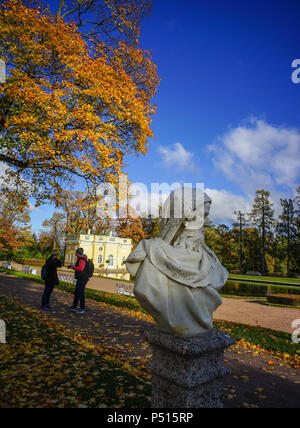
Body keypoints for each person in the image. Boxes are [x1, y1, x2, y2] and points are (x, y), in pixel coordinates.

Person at [67, 248, 89, 314]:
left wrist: (73, 267)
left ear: (77, 253)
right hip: (80, 278)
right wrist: (73, 266)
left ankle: (82, 308)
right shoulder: (81, 258)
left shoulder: (81, 259)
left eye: (76, 253)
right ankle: (74, 306)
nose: (75, 254)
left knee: (81, 293)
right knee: (77, 292)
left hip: (83, 278)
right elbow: (79, 267)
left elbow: (81, 268)